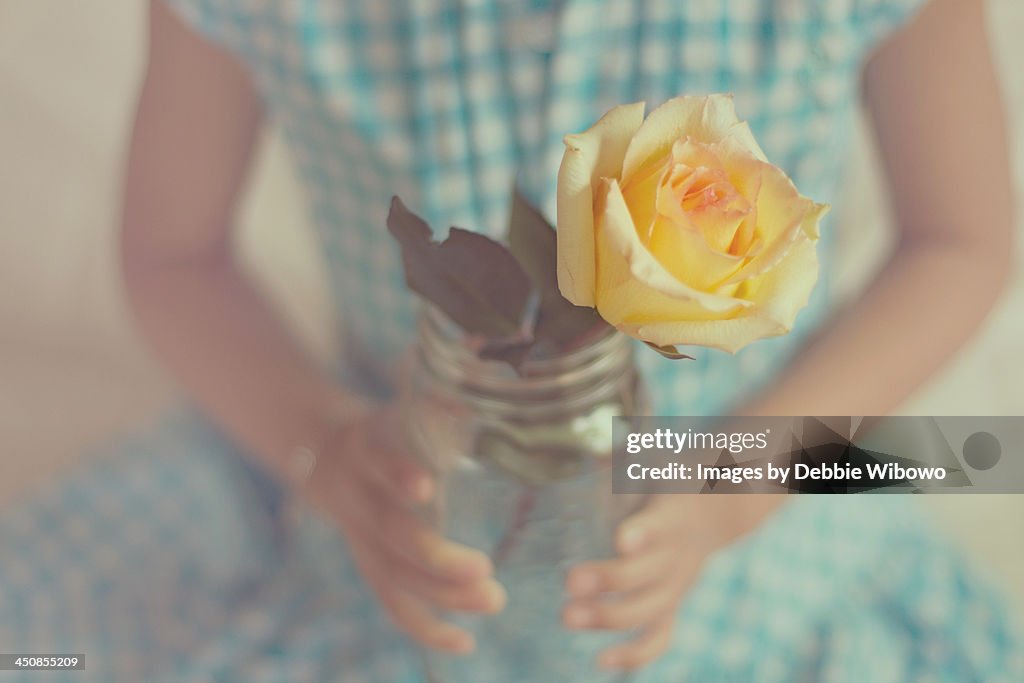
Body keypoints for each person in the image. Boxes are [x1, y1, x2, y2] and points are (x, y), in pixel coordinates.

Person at [1, 0, 1020, 681]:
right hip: (394, 508)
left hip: (768, 476)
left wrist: (734, 480)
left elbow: (961, 241)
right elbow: (175, 255)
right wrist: (321, 446)